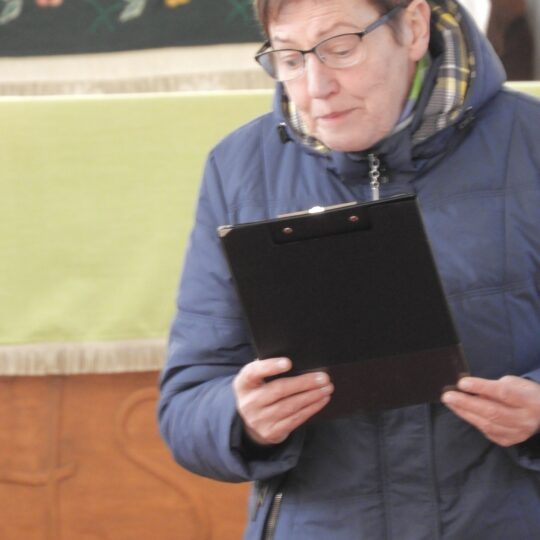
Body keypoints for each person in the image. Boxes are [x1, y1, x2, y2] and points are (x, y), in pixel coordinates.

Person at [158, 0, 540, 538]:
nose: (316, 86)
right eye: (290, 59)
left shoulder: (530, 143)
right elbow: (185, 405)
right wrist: (241, 417)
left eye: (340, 48)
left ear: (413, 28)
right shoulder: (239, 168)